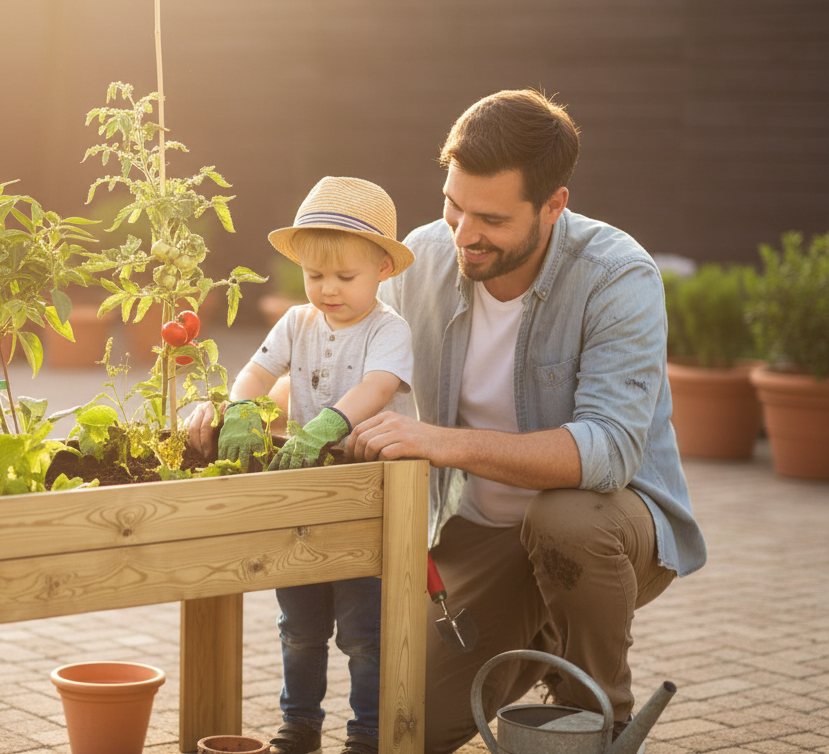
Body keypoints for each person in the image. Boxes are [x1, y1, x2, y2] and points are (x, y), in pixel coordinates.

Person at [337, 89, 707, 752]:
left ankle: (598, 718)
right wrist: (244, 403)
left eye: (491, 219)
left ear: (553, 205)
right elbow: (344, 369)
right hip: (483, 532)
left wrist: (440, 443)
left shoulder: (618, 276)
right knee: (398, 726)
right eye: (454, 206)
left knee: (563, 521)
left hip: (610, 531)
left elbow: (608, 452)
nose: (462, 235)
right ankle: (534, 632)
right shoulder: (421, 262)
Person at [216, 176, 416, 754]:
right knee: (299, 628)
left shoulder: (388, 329)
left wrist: (330, 422)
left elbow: (379, 386)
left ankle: (368, 734)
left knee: (362, 633)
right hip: (302, 495)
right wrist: (240, 408)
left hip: (364, 495)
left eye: (344, 277)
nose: (327, 290)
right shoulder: (297, 323)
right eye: (315, 275)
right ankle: (299, 726)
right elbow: (254, 373)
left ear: (382, 268)